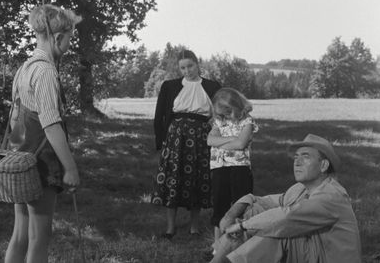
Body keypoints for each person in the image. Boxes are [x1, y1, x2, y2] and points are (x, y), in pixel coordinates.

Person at [4, 4, 81, 263]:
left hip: (21, 160)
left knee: (21, 234)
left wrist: (15, 155)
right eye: (70, 37)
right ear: (58, 38)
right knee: (40, 237)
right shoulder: (46, 71)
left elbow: (15, 119)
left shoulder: (25, 68)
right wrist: (69, 168)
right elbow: (50, 124)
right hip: (40, 163)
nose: (70, 43)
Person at [210, 134, 362, 263]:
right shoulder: (300, 189)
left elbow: (287, 218)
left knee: (278, 232)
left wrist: (243, 226)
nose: (297, 162)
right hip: (312, 254)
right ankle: (218, 258)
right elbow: (263, 201)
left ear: (323, 165)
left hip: (328, 258)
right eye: (296, 157)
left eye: (305, 157)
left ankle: (231, 259)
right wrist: (232, 214)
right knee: (253, 210)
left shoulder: (331, 195)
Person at [151, 49, 221, 239]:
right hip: (175, 138)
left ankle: (194, 227)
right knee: (173, 178)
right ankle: (170, 228)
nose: (187, 71)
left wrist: (214, 126)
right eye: (183, 68)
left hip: (201, 138)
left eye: (190, 66)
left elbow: (221, 113)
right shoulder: (170, 86)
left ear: (197, 64)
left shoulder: (213, 86)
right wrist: (161, 142)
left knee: (197, 179)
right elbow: (159, 116)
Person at [207, 88, 258, 248]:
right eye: (222, 112)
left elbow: (241, 143)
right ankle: (218, 245)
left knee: (240, 204)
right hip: (218, 167)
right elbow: (210, 140)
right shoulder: (218, 121)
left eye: (228, 111)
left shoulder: (247, 122)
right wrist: (231, 139)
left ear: (236, 106)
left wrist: (221, 140)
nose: (225, 115)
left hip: (240, 168)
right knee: (219, 204)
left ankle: (241, 244)